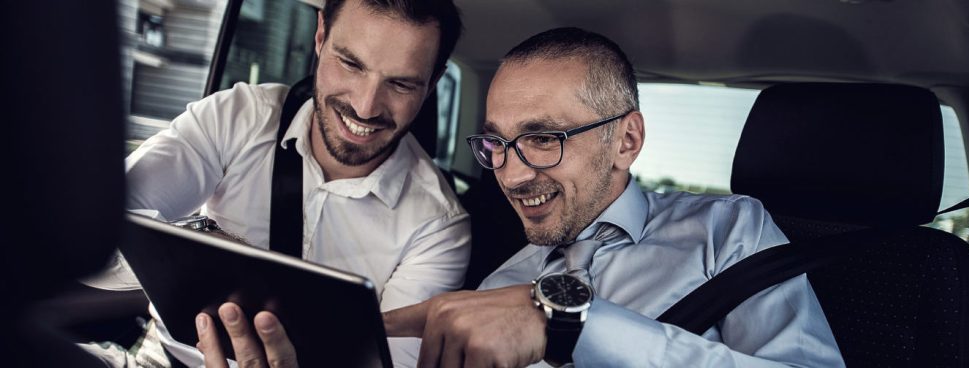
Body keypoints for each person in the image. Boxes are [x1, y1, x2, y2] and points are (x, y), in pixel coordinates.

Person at [197, 27, 844, 367]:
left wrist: (570, 328)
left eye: (541, 139)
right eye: (497, 144)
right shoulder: (499, 283)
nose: (509, 174)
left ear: (627, 139)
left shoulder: (729, 235)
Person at [83, 0, 470, 367]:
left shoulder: (438, 227)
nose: (366, 107)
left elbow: (388, 362)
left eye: (401, 85)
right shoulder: (238, 117)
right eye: (350, 63)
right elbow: (94, 230)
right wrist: (206, 244)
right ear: (320, 36)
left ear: (434, 81)